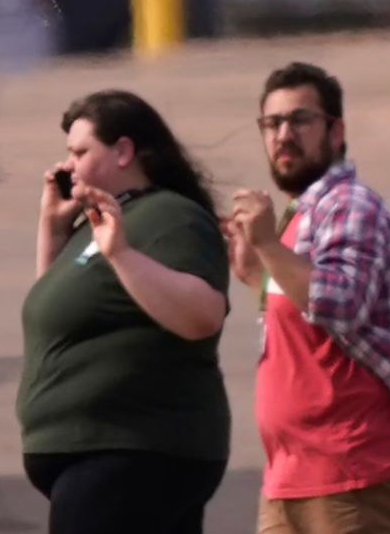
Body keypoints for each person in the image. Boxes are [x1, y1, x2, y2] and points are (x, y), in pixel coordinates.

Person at [226, 61, 390, 534]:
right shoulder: (301, 213)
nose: (284, 135)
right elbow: (304, 317)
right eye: (272, 123)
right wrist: (254, 272)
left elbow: (341, 303)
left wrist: (267, 246)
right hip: (291, 472)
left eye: (300, 120)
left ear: (336, 131)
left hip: (354, 465)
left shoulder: (349, 203)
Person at [16, 90, 231, 534]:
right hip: (100, 457)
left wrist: (121, 254)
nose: (68, 165)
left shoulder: (169, 216)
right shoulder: (101, 223)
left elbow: (203, 314)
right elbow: (52, 311)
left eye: (80, 152)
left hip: (135, 448)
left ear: (122, 151)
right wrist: (53, 228)